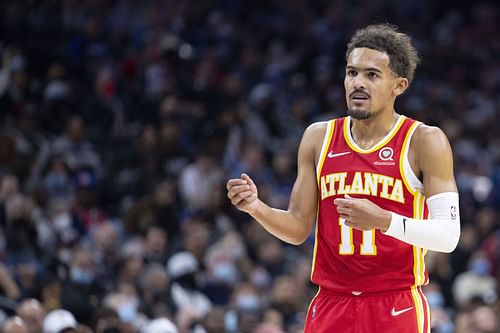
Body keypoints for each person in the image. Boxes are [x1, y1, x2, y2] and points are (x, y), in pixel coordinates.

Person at [226, 24, 461, 333]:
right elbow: (298, 229)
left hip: (395, 303)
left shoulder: (425, 141)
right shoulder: (317, 137)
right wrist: (256, 207)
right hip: (330, 303)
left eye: (372, 75)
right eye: (352, 73)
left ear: (399, 85)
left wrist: (385, 221)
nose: (357, 83)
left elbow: (448, 236)